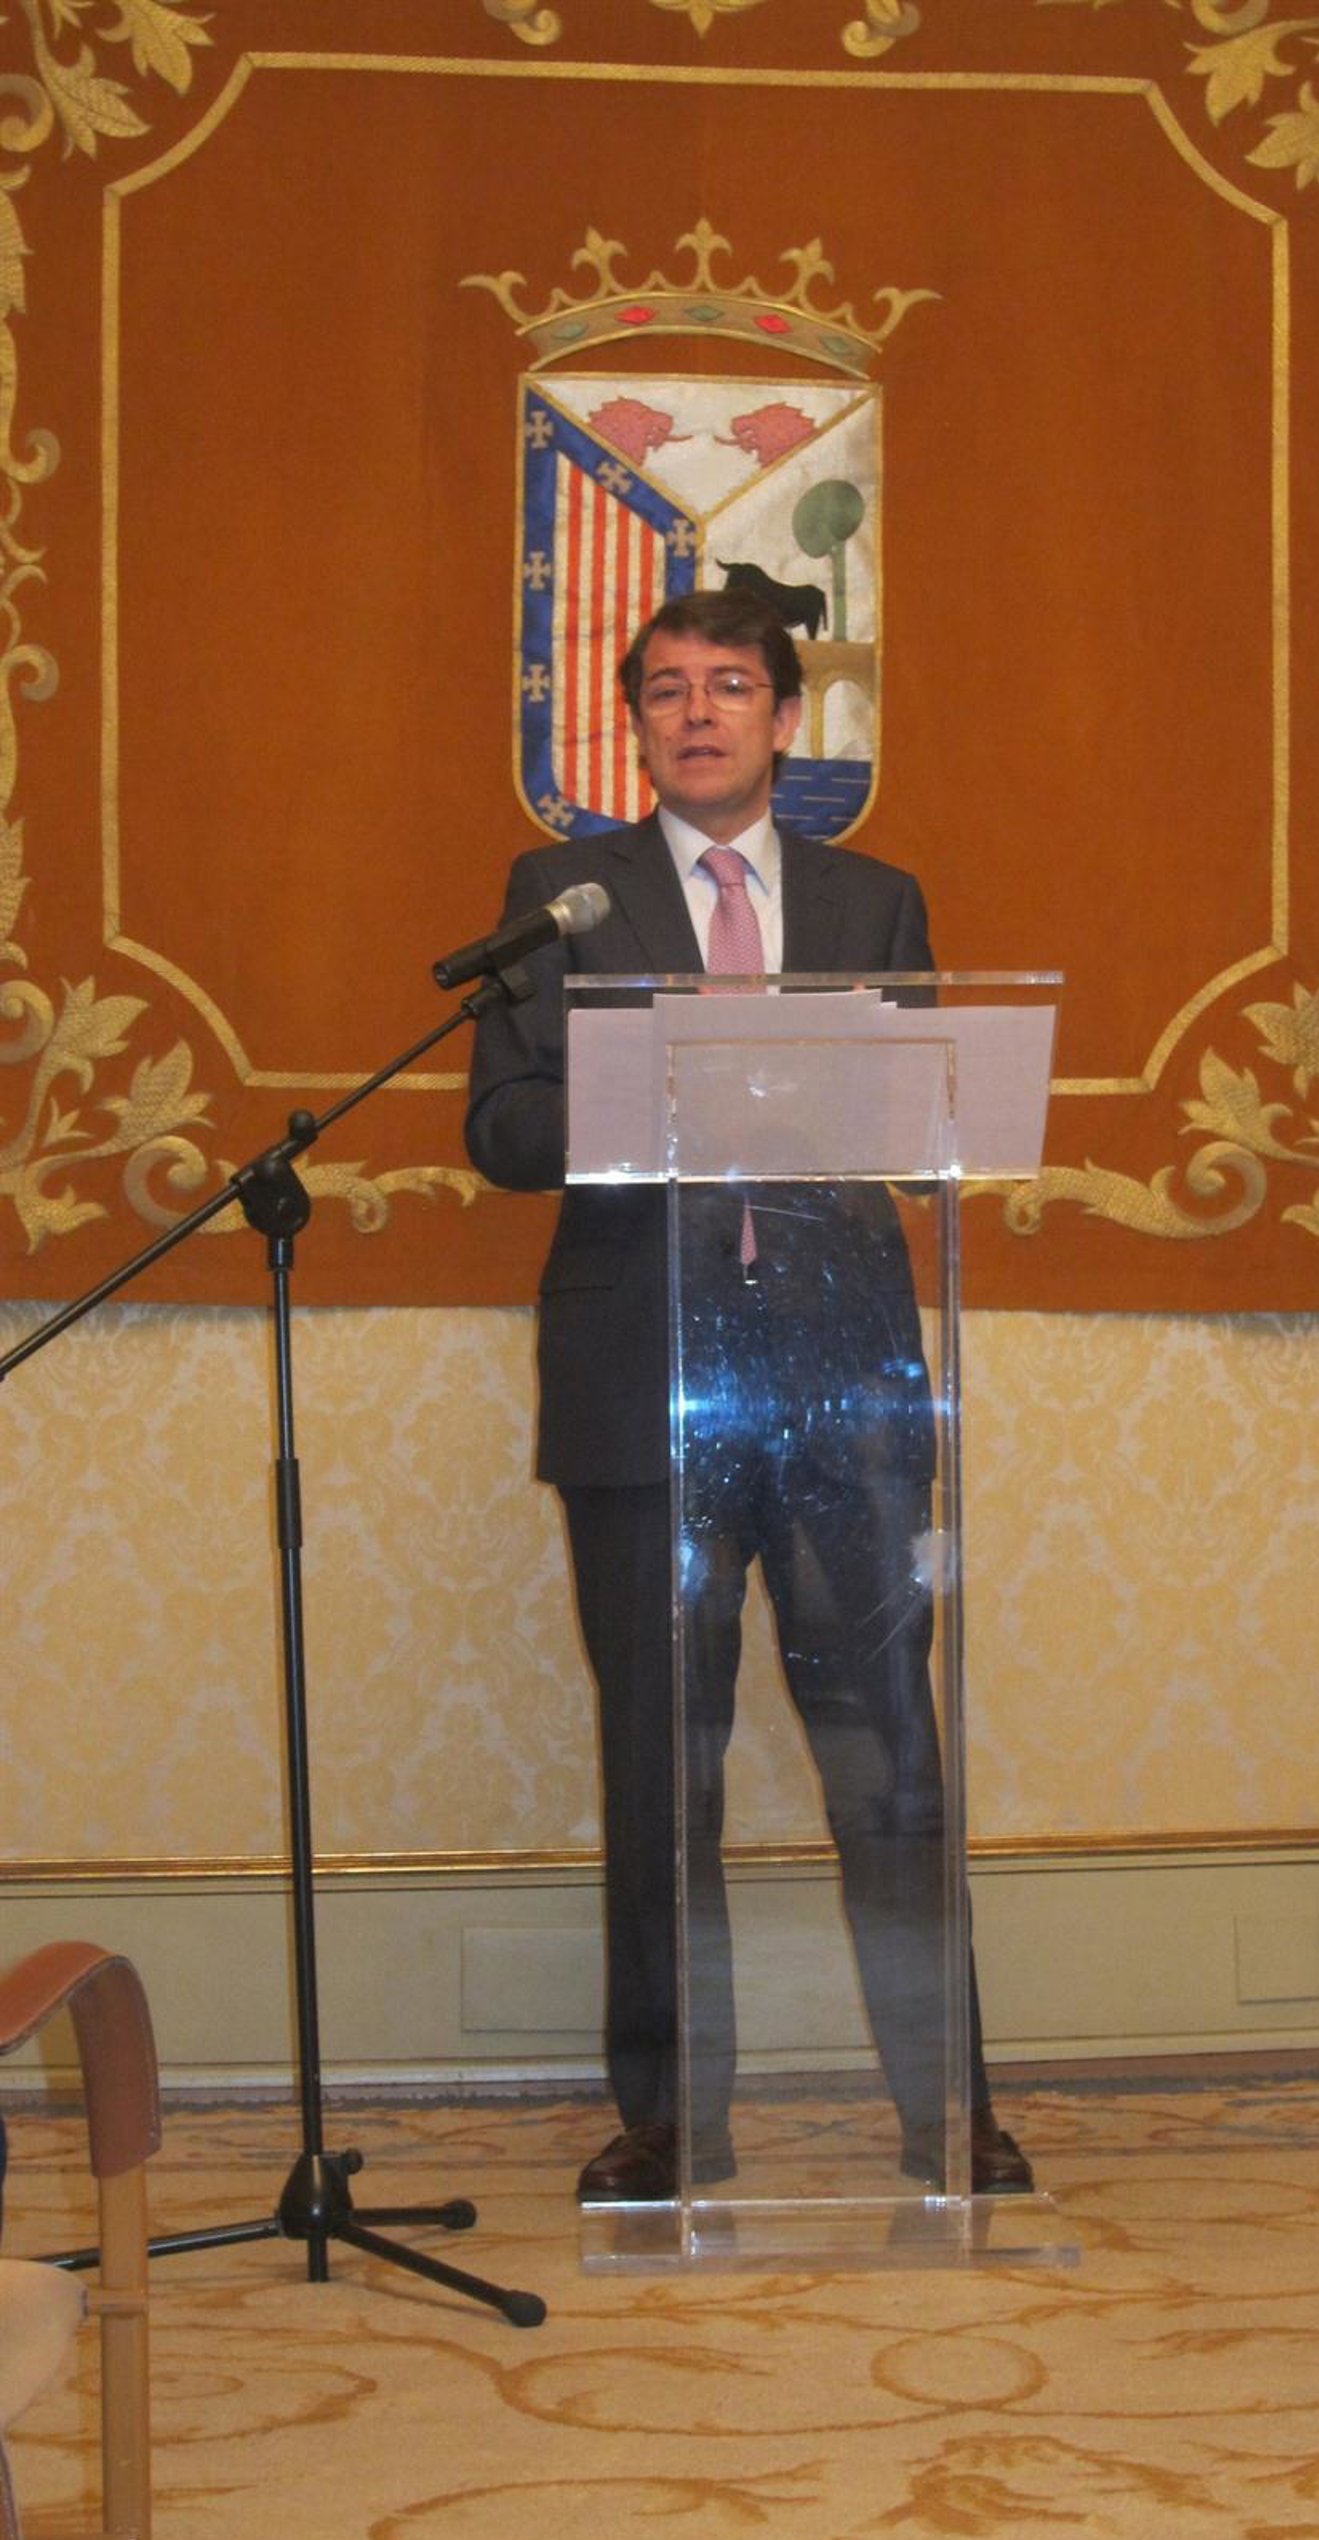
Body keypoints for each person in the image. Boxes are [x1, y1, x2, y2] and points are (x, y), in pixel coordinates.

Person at [464, 585, 1032, 2204]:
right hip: (641, 1383)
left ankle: (949, 2113)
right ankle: (670, 2123)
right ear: (634, 724)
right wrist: (664, 1083)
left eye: (729, 686)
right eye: (665, 689)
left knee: (892, 1764)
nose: (697, 712)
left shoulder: (873, 900)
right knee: (664, 1768)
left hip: (843, 1390)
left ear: (786, 719)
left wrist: (845, 1094)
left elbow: (922, 1142)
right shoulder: (563, 898)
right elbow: (502, 1133)